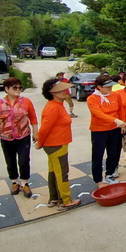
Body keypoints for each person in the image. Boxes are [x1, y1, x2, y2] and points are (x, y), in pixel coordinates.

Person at [0, 77, 38, 197]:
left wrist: (36, 132)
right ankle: (14, 182)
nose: (18, 90)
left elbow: (33, 117)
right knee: (10, 161)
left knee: (24, 160)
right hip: (6, 138)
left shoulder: (26, 101)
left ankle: (25, 183)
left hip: (24, 136)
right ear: (6, 89)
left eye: (20, 87)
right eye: (15, 87)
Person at [36, 78, 80, 209]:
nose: (64, 91)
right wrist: (39, 143)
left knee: (54, 171)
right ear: (52, 92)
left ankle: (54, 198)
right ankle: (65, 201)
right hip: (56, 144)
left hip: (57, 143)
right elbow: (44, 128)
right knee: (62, 172)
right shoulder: (53, 107)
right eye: (59, 90)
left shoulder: (58, 105)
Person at [87, 74, 126, 186]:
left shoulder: (115, 95)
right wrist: (116, 120)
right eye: (107, 86)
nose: (110, 88)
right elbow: (98, 114)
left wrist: (122, 123)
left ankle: (109, 174)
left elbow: (121, 110)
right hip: (99, 130)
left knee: (113, 152)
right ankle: (98, 179)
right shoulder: (92, 98)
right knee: (98, 155)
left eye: (111, 86)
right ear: (99, 87)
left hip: (115, 128)